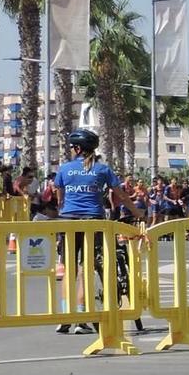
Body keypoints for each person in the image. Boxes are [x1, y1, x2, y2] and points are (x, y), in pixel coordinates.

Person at [52, 128, 122, 334]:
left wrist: (64, 206)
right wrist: (138, 212)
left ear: (77, 148)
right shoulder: (102, 169)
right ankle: (82, 319)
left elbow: (59, 196)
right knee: (86, 268)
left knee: (69, 269)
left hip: (69, 221)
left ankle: (66, 317)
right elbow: (120, 195)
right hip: (93, 220)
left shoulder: (64, 169)